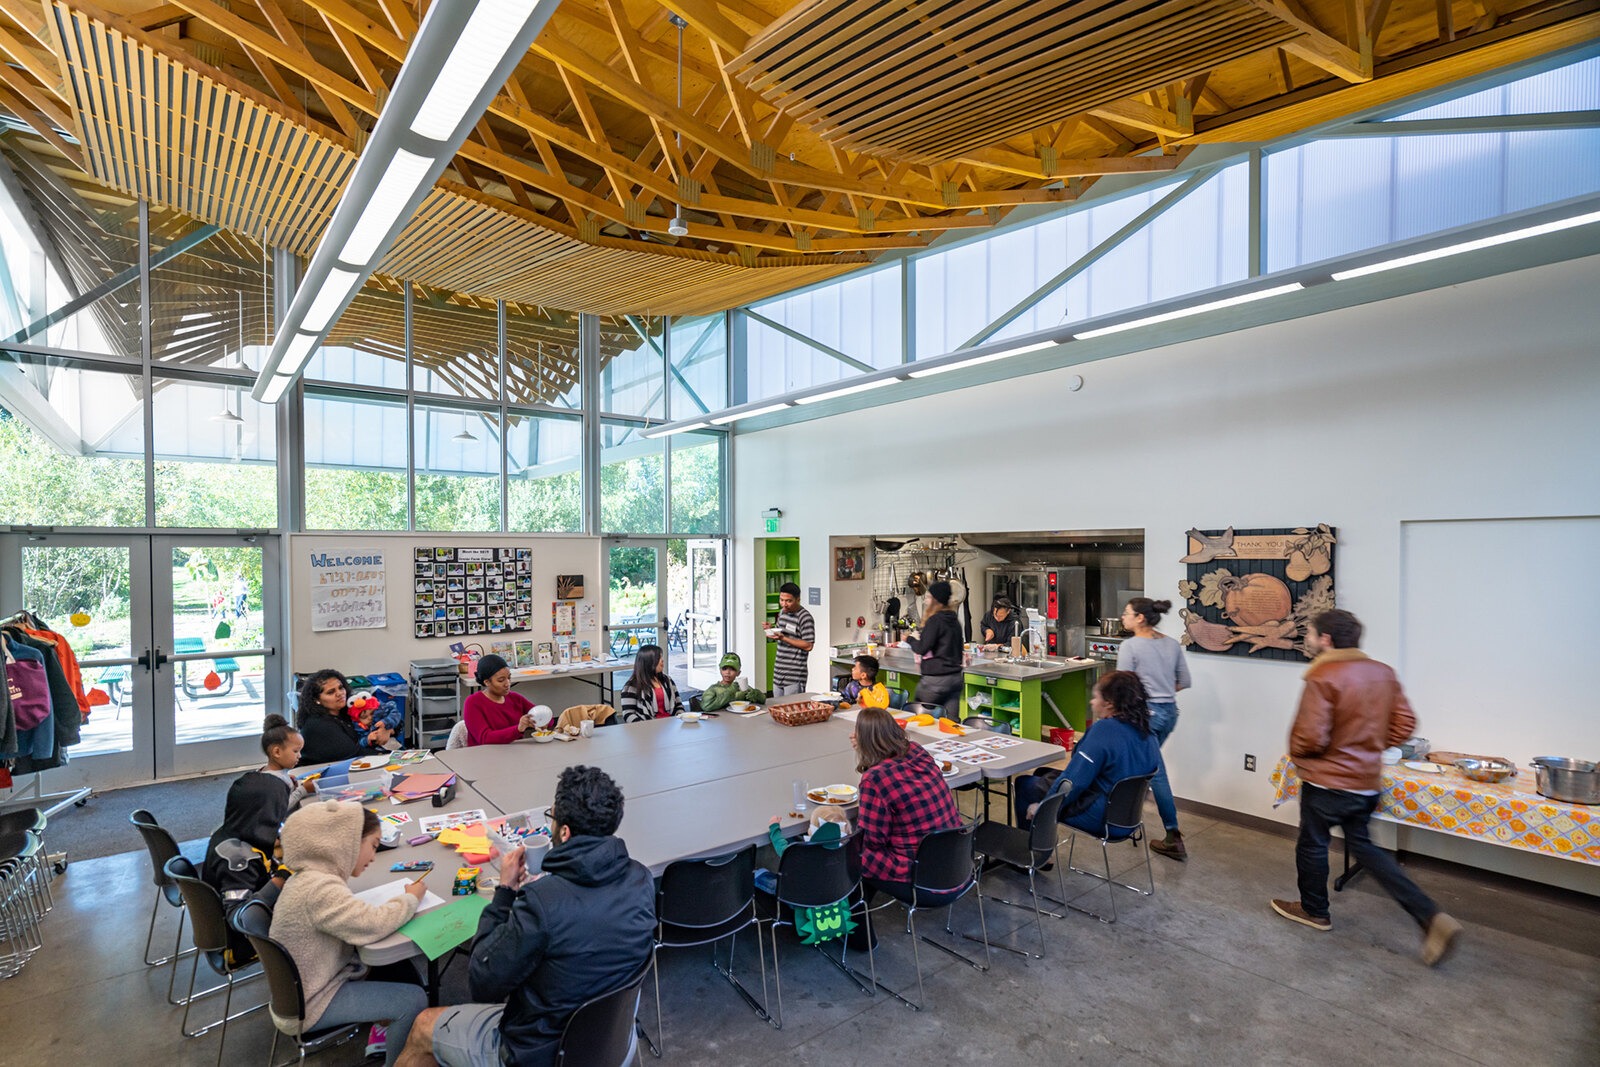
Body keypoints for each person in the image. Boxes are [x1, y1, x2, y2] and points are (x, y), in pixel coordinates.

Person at [398, 766, 655, 1067]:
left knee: (423, 1027)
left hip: (541, 1051)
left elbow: (482, 983)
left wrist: (505, 891)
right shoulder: (642, 878)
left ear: (565, 832)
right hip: (611, 1041)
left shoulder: (543, 903)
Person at [1271, 610, 1462, 966]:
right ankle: (1430, 915)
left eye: (1310, 634)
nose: (1307, 640)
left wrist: (1300, 755)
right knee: (1365, 848)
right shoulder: (1383, 672)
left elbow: (1310, 737)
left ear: (1326, 639)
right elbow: (1405, 722)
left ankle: (1315, 911)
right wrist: (1368, 745)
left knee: (1312, 844)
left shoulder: (1323, 674)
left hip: (1326, 782)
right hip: (1364, 781)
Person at [270, 801, 427, 1066]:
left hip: (305, 989)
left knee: (395, 967)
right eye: (374, 846)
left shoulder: (310, 877)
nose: (374, 857)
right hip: (313, 1003)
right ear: (347, 841)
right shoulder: (321, 889)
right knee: (413, 1000)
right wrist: (410, 899)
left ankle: (385, 1033)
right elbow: (372, 925)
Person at [201, 713, 313, 961]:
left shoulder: (232, 834)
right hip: (246, 943)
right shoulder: (237, 860)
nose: (277, 824)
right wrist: (282, 878)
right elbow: (241, 917)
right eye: (274, 818)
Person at [1014, 671, 1162, 835]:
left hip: (1100, 816)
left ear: (1109, 703)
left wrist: (1044, 807)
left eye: (1095, 697)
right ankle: (1040, 850)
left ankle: (1035, 856)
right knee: (1043, 776)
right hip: (1128, 819)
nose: (1092, 702)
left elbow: (1074, 781)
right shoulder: (1149, 734)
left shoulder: (1103, 730)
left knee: (1025, 785)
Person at [851, 706, 962, 901]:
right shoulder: (917, 751)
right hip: (957, 864)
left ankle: (852, 920)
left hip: (922, 877)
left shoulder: (875, 779)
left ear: (865, 742)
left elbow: (871, 841)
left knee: (852, 855)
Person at [1116, 597, 1193, 860]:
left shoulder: (1131, 646)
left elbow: (1122, 688)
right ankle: (1128, 817)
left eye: (1126, 613)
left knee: (1154, 771)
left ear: (1139, 618)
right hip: (1169, 712)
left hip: (1144, 715)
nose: (1123, 617)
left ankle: (1172, 834)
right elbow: (1184, 681)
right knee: (1143, 767)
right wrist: (1161, 695)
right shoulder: (1171, 644)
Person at [296, 669, 392, 765]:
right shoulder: (316, 724)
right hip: (321, 774)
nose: (339, 693)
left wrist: (386, 728)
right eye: (331, 692)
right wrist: (388, 755)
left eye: (341, 687)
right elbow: (354, 754)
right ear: (317, 700)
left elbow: (392, 719)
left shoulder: (347, 709)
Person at [754, 804, 851, 895]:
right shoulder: (845, 850)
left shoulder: (804, 854)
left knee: (758, 874)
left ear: (813, 831)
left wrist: (774, 827)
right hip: (834, 893)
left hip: (800, 896)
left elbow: (783, 849)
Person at [905, 580, 963, 716]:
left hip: (935, 680)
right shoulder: (954, 620)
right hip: (955, 679)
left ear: (936, 600)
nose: (926, 601)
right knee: (950, 721)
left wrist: (909, 639)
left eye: (929, 598)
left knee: (919, 716)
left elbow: (922, 648)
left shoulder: (935, 621)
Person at [463, 654, 539, 745]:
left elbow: (542, 715)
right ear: (487, 682)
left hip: (514, 752)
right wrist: (518, 729)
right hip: (485, 754)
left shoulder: (515, 698)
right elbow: (485, 738)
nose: (507, 684)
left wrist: (543, 721)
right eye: (501, 680)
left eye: (509, 678)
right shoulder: (473, 702)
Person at [616, 643, 685, 722]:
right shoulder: (631, 686)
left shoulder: (667, 680)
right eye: (658, 658)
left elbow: (678, 704)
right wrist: (645, 726)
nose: (662, 660)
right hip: (648, 727)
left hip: (671, 724)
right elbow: (628, 714)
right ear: (649, 662)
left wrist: (680, 718)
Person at [769, 582, 814, 696]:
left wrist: (783, 638)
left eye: (788, 601)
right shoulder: (782, 613)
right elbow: (781, 634)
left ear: (798, 599)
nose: (784, 604)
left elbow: (808, 645)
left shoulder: (805, 617)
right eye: (781, 600)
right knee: (777, 709)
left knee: (792, 710)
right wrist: (771, 631)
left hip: (794, 674)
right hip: (778, 672)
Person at [697, 652, 766, 712]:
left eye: (732, 669)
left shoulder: (741, 686)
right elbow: (706, 706)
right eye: (724, 669)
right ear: (720, 670)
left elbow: (763, 700)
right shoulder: (714, 689)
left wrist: (757, 695)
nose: (727, 672)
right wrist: (731, 690)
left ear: (738, 673)